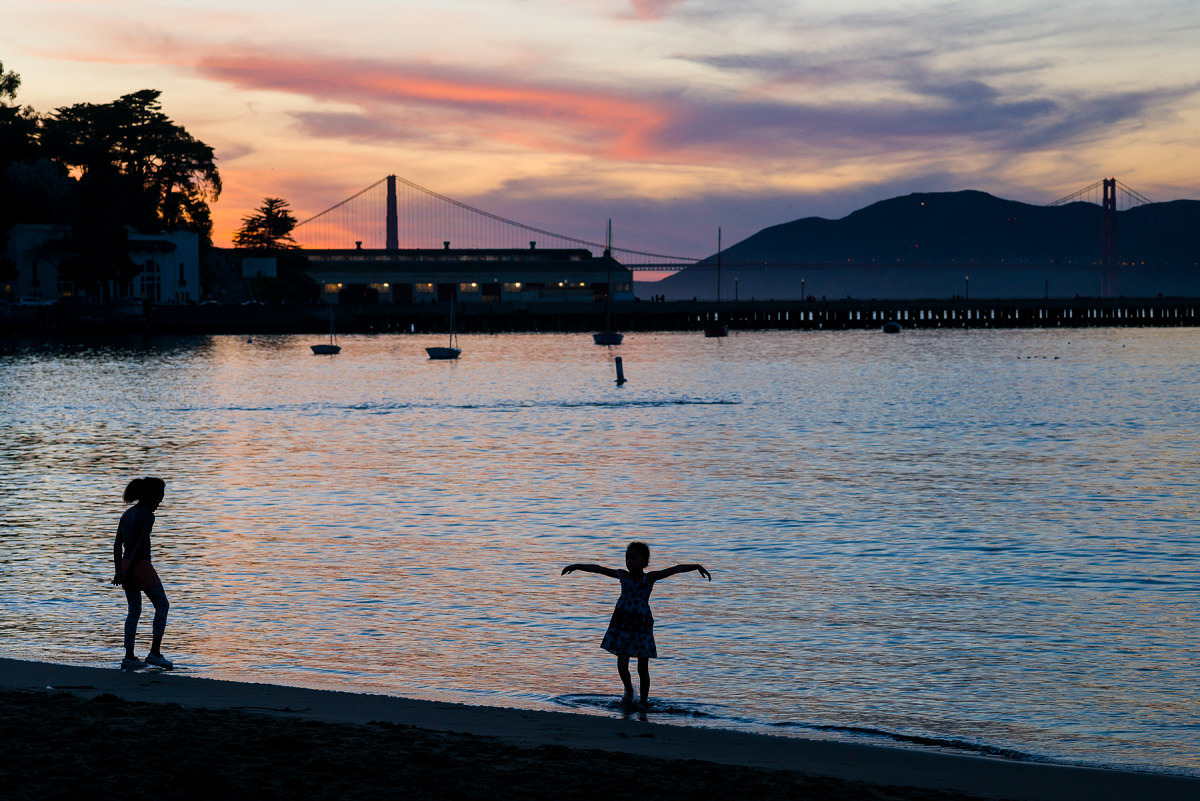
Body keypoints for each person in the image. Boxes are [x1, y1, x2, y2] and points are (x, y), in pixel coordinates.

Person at [562, 541, 710, 708]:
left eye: (634, 558)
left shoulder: (650, 578)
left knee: (642, 667)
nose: (629, 561)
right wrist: (576, 566)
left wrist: (697, 566)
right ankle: (629, 689)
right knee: (622, 663)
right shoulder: (623, 575)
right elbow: (599, 569)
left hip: (641, 627)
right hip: (622, 625)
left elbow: (673, 570)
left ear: (644, 562)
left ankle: (644, 701)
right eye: (627, 558)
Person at [111, 477, 173, 670]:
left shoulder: (127, 514)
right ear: (150, 496)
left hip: (126, 564)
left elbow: (117, 544)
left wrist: (119, 570)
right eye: (159, 498)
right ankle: (154, 653)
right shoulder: (147, 516)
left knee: (134, 611)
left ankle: (129, 657)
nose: (160, 503)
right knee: (162, 605)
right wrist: (127, 572)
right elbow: (138, 545)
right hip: (141, 565)